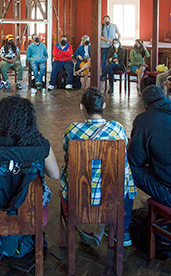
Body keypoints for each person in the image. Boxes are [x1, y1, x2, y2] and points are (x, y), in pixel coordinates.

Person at [0, 96, 60, 257]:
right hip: (29, 206)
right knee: (41, 188)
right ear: (30, 121)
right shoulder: (40, 146)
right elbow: (55, 175)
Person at [61, 88, 136, 247]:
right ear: (104, 105)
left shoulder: (73, 130)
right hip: (112, 196)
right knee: (111, 180)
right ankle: (108, 231)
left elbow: (65, 149)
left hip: (79, 195)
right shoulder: (117, 129)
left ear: (82, 107)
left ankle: (93, 233)